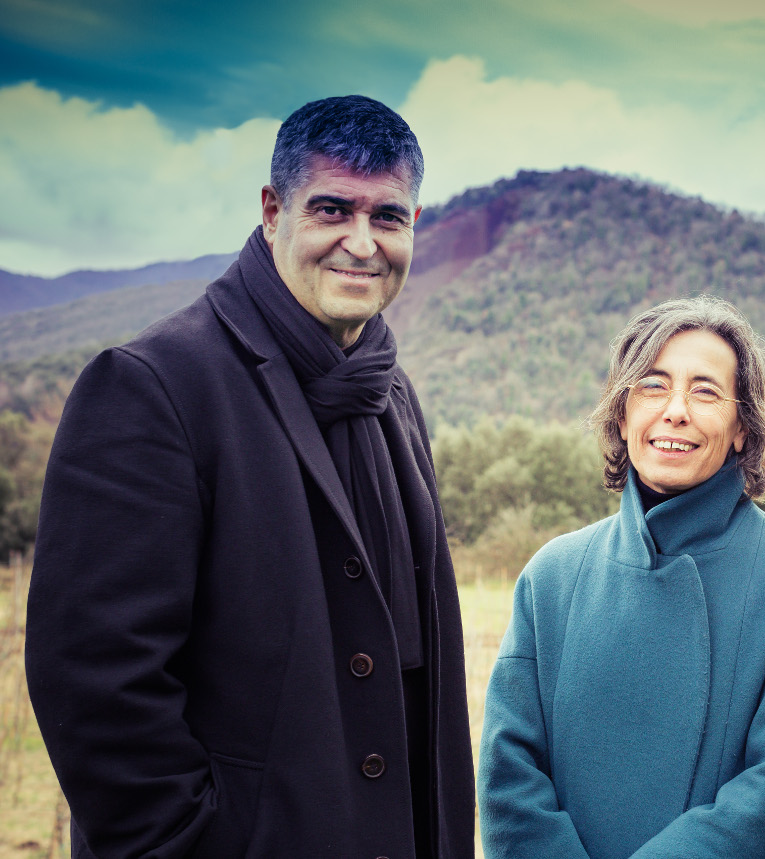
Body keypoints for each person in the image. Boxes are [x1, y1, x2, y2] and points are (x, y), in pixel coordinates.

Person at [25, 95, 474, 858]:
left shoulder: (390, 390)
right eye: (332, 209)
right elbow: (97, 686)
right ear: (273, 211)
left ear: (414, 225)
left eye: (387, 217)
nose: (361, 243)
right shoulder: (151, 385)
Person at [477, 295, 765, 858]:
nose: (676, 410)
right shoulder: (552, 575)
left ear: (743, 427)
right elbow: (509, 779)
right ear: (622, 417)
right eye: (652, 385)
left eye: (705, 391)